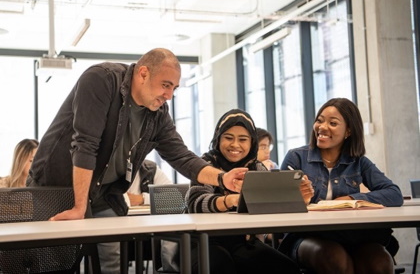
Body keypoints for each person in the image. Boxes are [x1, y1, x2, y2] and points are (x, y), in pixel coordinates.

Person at [26, 48, 247, 273]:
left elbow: (182, 156)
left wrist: (222, 178)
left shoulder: (158, 113)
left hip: (103, 194)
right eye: (166, 85)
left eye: (174, 88)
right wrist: (79, 207)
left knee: (111, 263)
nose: (169, 95)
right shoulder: (101, 80)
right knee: (55, 264)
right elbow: (85, 144)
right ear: (143, 74)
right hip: (56, 187)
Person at [279, 98, 404, 274]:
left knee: (380, 261)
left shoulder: (359, 162)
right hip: (306, 236)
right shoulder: (296, 158)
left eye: (333, 123)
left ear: (349, 131)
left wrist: (352, 198)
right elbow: (275, 205)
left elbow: (394, 194)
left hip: (351, 236)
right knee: (333, 257)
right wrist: (299, 201)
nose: (322, 127)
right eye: (320, 120)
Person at [187, 109, 313, 274]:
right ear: (218, 139)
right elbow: (194, 203)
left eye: (243, 139)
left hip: (243, 242)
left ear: (252, 142)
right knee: (221, 265)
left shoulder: (255, 167)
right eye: (228, 138)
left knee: (286, 268)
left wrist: (298, 199)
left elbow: (269, 206)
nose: (235, 145)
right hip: (202, 242)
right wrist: (230, 200)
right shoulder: (206, 164)